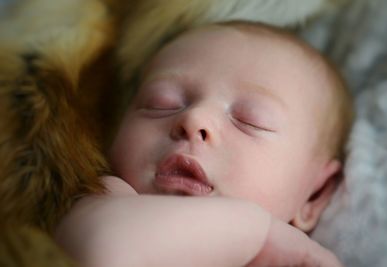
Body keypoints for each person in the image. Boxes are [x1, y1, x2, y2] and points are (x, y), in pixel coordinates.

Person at [55, 22, 353, 267]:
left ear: (314, 195)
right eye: (161, 103)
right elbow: (101, 251)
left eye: (250, 121)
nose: (195, 118)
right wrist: (258, 231)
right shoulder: (111, 200)